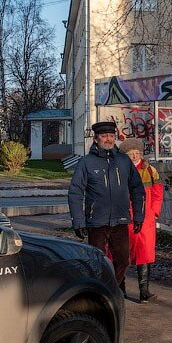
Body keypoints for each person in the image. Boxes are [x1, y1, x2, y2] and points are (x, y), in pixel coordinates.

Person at [68, 121, 145, 295]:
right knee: (97, 262)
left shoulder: (124, 160)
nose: (108, 139)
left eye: (111, 136)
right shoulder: (86, 162)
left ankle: (108, 289)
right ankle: (103, 292)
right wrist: (78, 221)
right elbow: (75, 192)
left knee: (123, 261)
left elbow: (137, 189)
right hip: (97, 221)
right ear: (96, 139)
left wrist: (139, 216)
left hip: (120, 219)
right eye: (104, 136)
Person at [120, 138, 164, 303]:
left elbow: (158, 192)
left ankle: (144, 291)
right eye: (131, 153)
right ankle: (120, 288)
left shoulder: (150, 170)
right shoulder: (120, 170)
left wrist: (154, 211)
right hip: (124, 217)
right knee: (120, 252)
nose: (134, 156)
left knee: (144, 252)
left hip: (145, 219)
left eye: (137, 153)